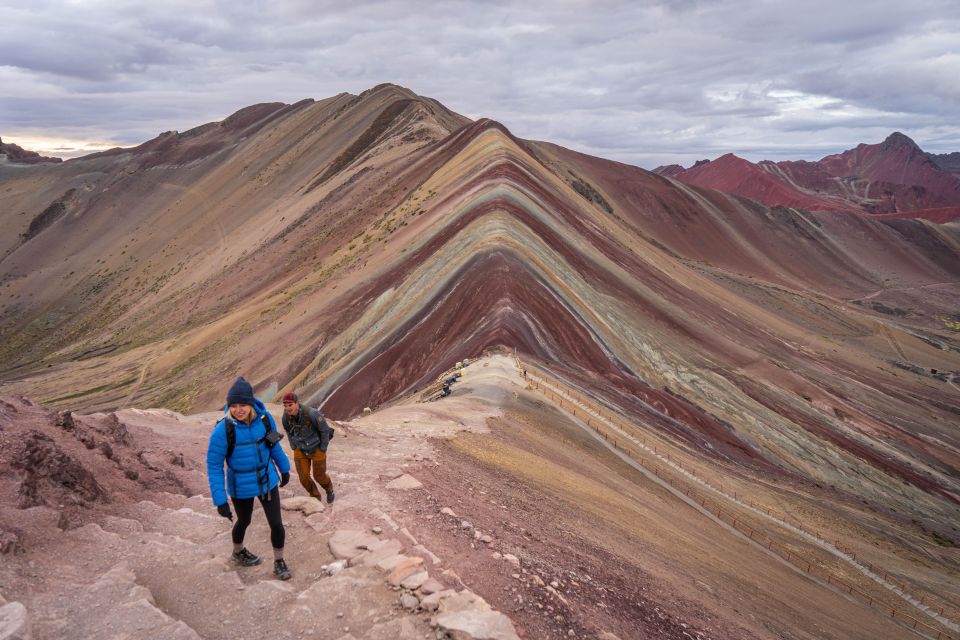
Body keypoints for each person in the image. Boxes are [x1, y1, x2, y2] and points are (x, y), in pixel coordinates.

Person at [206, 376, 293, 580]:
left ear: (250, 403)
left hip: (266, 479)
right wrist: (220, 500)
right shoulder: (223, 430)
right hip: (240, 486)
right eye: (233, 405)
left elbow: (273, 445)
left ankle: (279, 561)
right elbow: (214, 466)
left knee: (276, 523)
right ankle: (238, 552)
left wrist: (284, 468)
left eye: (243, 404)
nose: (238, 409)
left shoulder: (264, 420)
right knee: (243, 520)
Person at [280, 392, 335, 504]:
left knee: (319, 476)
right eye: (285, 406)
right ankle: (315, 497)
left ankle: (329, 490)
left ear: (297, 403)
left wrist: (323, 448)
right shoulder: (285, 417)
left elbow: (324, 430)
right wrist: (293, 446)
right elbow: (288, 431)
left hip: (317, 448)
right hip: (300, 448)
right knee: (303, 477)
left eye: (290, 405)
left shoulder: (312, 414)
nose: (287, 408)